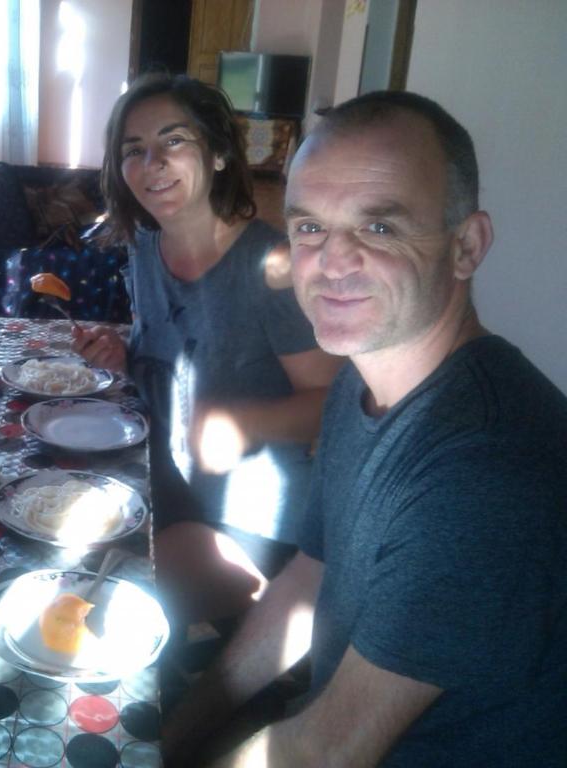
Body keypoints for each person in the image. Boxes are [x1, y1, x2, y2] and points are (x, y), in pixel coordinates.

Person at [161, 90, 567, 767]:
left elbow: (323, 753)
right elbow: (310, 577)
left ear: (466, 246)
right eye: (309, 228)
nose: (332, 261)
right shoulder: (361, 380)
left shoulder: (486, 472)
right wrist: (178, 732)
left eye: (379, 228)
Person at [72, 72, 342, 624]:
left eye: (173, 140)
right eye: (134, 150)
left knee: (110, 596)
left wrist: (246, 422)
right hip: (162, 478)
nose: (152, 163)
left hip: (254, 516)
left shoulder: (272, 267)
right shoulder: (144, 245)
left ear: (218, 153)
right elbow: (169, 352)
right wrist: (124, 354)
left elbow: (334, 404)